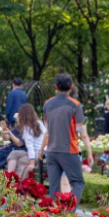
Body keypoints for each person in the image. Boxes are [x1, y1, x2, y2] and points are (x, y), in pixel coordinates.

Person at [41, 73, 93, 205]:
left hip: (51, 151)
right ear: (71, 87)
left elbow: (47, 131)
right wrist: (90, 153)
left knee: (54, 188)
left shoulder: (47, 104)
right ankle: (69, 211)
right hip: (69, 150)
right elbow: (80, 131)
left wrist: (41, 150)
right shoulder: (75, 105)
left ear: (56, 86)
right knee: (78, 183)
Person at [6, 104, 47, 178]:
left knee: (21, 161)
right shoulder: (39, 123)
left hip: (38, 154)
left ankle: (17, 185)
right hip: (42, 152)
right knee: (13, 153)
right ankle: (9, 178)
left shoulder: (26, 127)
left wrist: (32, 163)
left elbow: (30, 146)